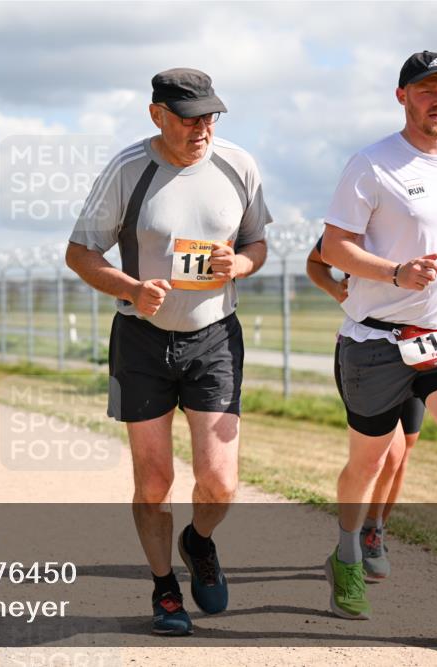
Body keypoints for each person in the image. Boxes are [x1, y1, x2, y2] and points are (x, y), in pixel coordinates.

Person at [65, 68, 271, 636]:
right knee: (154, 481)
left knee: (220, 481)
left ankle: (198, 542)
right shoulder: (129, 169)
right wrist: (131, 288)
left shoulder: (238, 164)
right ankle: (164, 589)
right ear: (156, 115)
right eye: (189, 117)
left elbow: (258, 242)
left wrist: (244, 264)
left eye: (210, 115)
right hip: (142, 341)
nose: (202, 127)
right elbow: (79, 253)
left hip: (214, 337)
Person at [320, 51, 437, 641]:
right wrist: (396, 273)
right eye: (427, 90)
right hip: (377, 342)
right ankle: (347, 553)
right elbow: (333, 249)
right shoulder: (371, 165)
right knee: (368, 463)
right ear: (402, 96)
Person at [306, 234, 422, 579]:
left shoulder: (432, 216)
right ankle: (358, 538)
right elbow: (315, 263)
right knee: (389, 450)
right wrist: (334, 288)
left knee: (404, 452)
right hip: (370, 348)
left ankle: (375, 531)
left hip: (422, 346)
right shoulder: (360, 221)